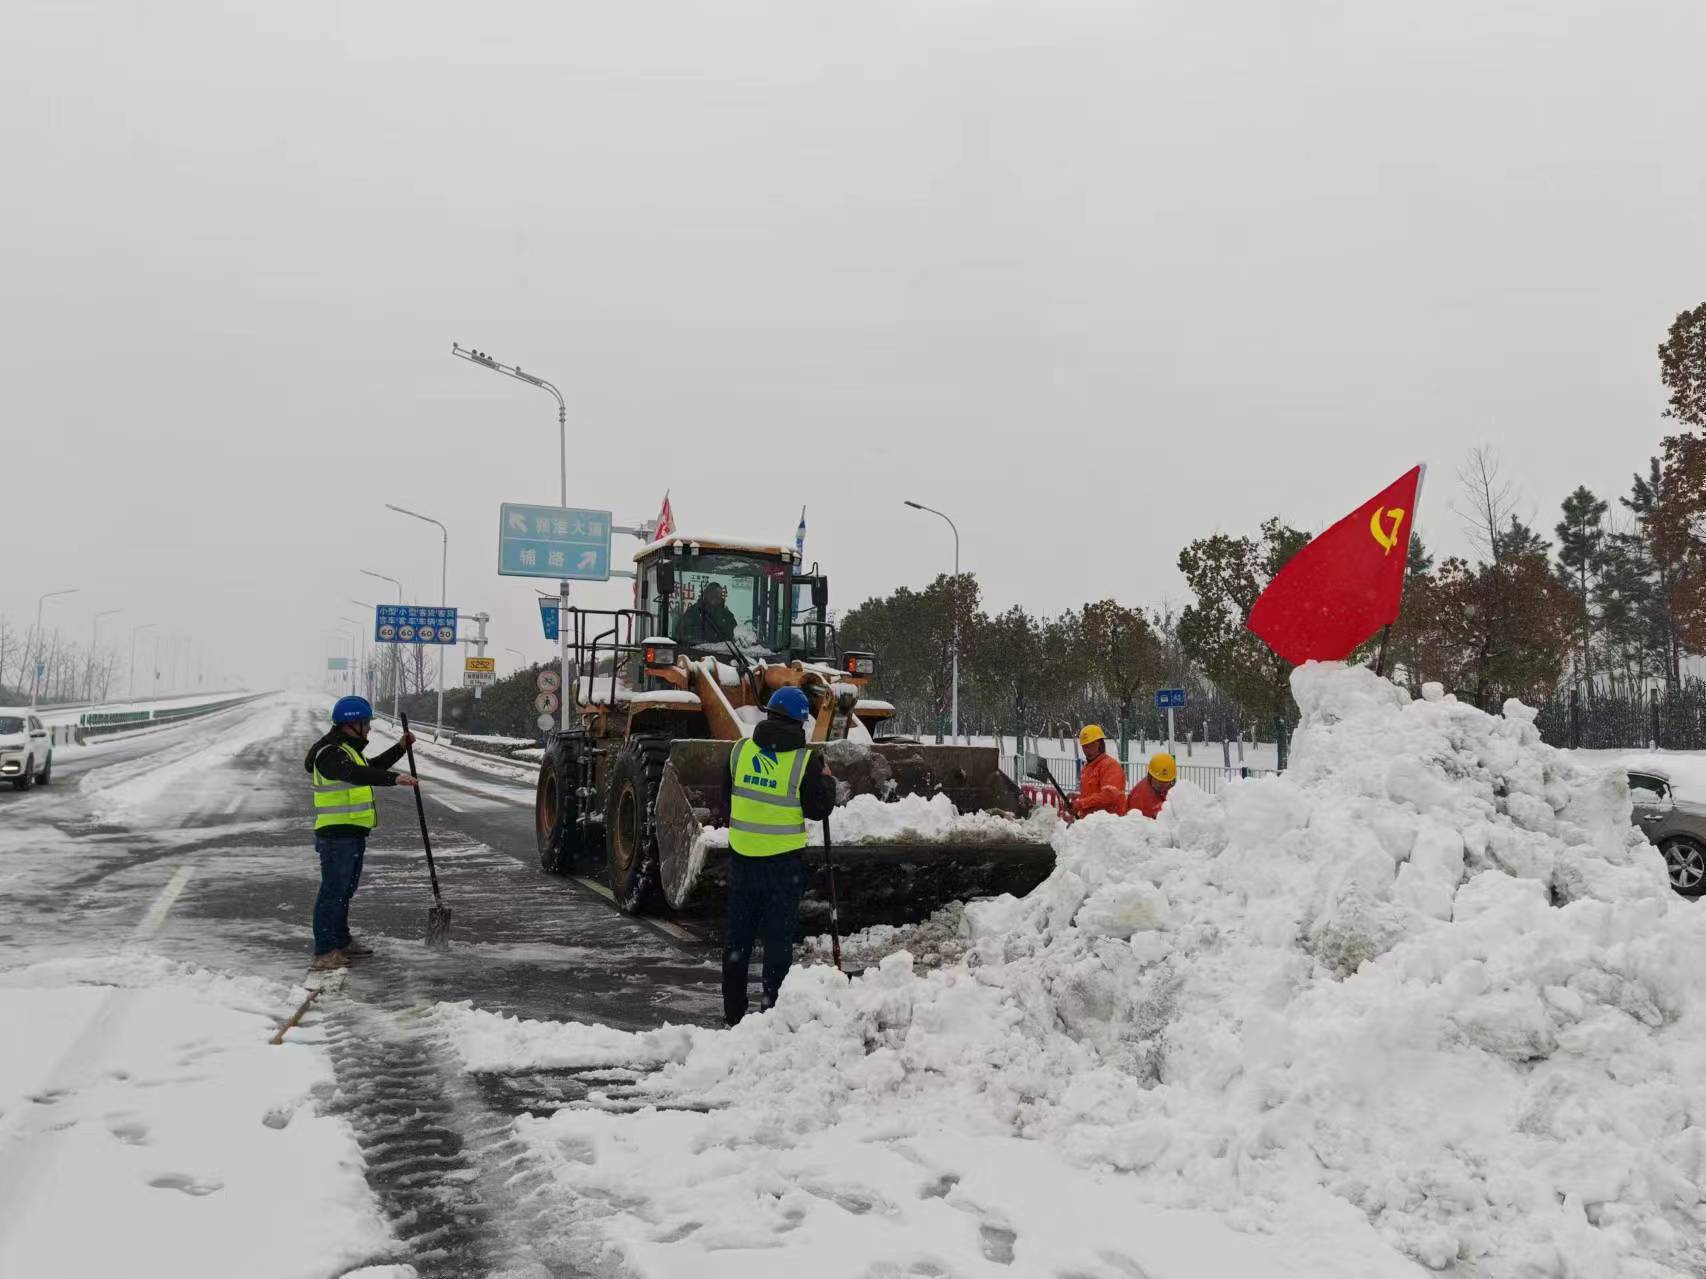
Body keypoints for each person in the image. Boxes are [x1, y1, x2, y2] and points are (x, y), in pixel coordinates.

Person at [721, 686, 835, 1024]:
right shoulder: (805, 762)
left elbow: (727, 799)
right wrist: (827, 782)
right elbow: (818, 809)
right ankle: (771, 1013)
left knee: (737, 943)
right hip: (783, 867)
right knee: (778, 943)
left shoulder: (739, 752)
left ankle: (733, 1014)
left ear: (768, 713)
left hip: (742, 861)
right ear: (800, 723)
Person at [303, 695, 417, 970]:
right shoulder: (329, 753)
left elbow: (369, 768)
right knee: (333, 891)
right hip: (336, 835)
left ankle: (341, 941)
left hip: (352, 832)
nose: (369, 728)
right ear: (351, 724)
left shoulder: (347, 749)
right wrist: (394, 779)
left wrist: (400, 748)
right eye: (365, 723)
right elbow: (355, 774)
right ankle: (324, 950)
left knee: (345, 890)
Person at [1073, 724, 1127, 818]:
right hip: (1090, 822)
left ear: (1100, 744)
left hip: (1108, 822)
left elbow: (1110, 795)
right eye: (1084, 746)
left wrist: (1082, 804)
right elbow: (1088, 796)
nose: (1086, 749)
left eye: (1090, 745)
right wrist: (1077, 805)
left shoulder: (1110, 766)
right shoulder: (1086, 768)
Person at [679, 581, 741, 647]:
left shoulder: (727, 616)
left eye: (717, 594)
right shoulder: (693, 611)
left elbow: (734, 639)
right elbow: (680, 634)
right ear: (705, 594)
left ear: (721, 597)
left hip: (721, 652)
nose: (714, 596)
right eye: (711, 592)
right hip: (696, 650)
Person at [1126, 752, 1177, 819]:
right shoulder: (1140, 797)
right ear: (1150, 775)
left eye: (1166, 781)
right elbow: (1138, 822)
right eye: (1158, 780)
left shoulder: (1171, 789)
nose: (1162, 784)